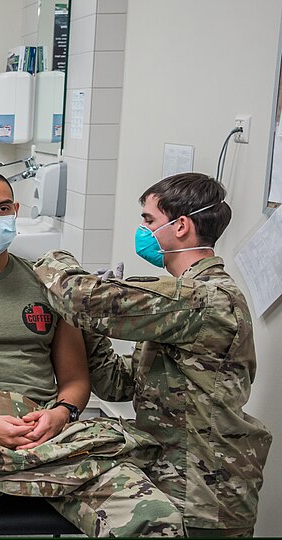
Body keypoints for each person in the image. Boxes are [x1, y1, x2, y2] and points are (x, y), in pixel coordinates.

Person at [0, 169, 182, 537]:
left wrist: (61, 413)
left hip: (45, 436)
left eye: (2, 208)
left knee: (155, 517)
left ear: (15, 211)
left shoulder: (49, 288)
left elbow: (74, 381)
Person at [33, 172, 272, 537]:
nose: (141, 230)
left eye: (149, 220)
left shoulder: (205, 300)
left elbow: (79, 297)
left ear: (181, 226)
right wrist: (89, 329)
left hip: (203, 492)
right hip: (170, 475)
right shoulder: (183, 300)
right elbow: (118, 385)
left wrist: (51, 255)